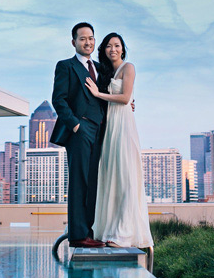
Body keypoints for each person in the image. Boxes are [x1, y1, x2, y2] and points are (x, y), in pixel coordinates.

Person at [86, 32, 154, 249]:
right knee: (110, 177)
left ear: (123, 49)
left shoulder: (129, 67)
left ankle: (123, 233)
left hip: (124, 125)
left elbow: (125, 99)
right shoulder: (104, 71)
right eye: (108, 46)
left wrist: (99, 94)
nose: (112, 49)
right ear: (104, 50)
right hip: (109, 126)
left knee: (125, 177)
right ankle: (108, 229)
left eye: (116, 45)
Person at [49, 22, 107, 248]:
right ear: (74, 42)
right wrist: (75, 126)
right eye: (82, 38)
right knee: (79, 182)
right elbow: (59, 100)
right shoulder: (66, 66)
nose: (88, 42)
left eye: (91, 38)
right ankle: (77, 236)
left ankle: (89, 232)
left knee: (93, 182)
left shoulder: (101, 68)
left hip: (100, 130)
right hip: (80, 131)